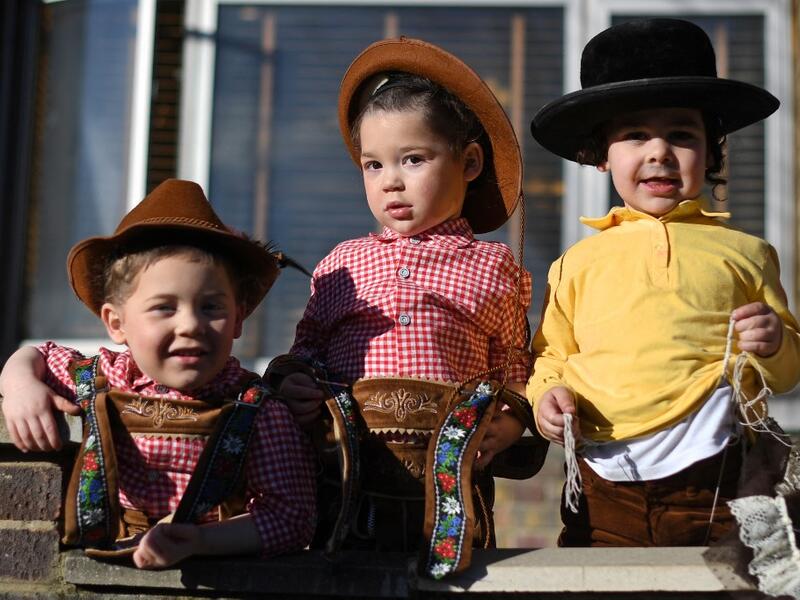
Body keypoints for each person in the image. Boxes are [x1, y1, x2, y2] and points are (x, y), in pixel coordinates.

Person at [264, 38, 545, 578]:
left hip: (449, 486)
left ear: (468, 162)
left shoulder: (494, 266)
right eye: (373, 165)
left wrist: (511, 422)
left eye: (412, 159)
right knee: (341, 581)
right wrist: (292, 382)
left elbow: (515, 366)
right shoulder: (342, 263)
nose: (390, 180)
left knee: (454, 583)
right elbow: (305, 353)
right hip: (344, 480)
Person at [527, 18, 800, 547]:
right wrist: (547, 399)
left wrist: (773, 342)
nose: (658, 152)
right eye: (634, 135)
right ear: (603, 154)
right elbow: (552, 356)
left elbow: (787, 371)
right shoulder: (575, 263)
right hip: (604, 478)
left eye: (681, 134)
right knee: (598, 582)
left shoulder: (748, 254)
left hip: (719, 478)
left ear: (712, 152)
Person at [0, 179, 316, 568]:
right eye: (165, 308)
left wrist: (199, 541)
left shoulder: (259, 410)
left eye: (212, 307)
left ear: (238, 319)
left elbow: (293, 519)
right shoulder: (108, 377)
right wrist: (19, 386)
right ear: (117, 324)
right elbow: (37, 355)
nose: (190, 325)